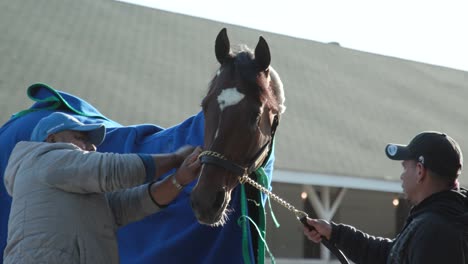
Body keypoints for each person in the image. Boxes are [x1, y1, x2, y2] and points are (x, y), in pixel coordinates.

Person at [3, 112, 202, 263]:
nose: (92, 147)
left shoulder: (67, 184)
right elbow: (113, 170)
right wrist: (175, 158)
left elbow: (130, 204)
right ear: (51, 139)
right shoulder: (45, 159)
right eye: (80, 137)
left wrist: (179, 180)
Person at [303, 131, 468, 264]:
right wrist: (335, 233)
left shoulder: (436, 230)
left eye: (405, 168)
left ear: (420, 171)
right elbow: (391, 254)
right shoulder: (441, 218)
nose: (402, 176)